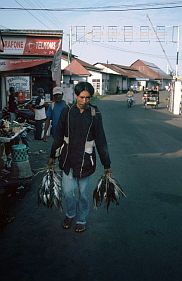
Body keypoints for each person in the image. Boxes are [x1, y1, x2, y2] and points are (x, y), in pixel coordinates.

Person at [48, 81, 111, 233]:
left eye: (88, 98)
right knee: (68, 192)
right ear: (76, 96)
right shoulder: (67, 111)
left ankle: (81, 219)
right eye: (82, 97)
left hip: (86, 161)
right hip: (68, 159)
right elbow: (58, 136)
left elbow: (101, 140)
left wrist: (107, 164)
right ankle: (70, 214)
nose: (85, 101)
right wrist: (52, 156)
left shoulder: (95, 113)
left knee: (83, 194)